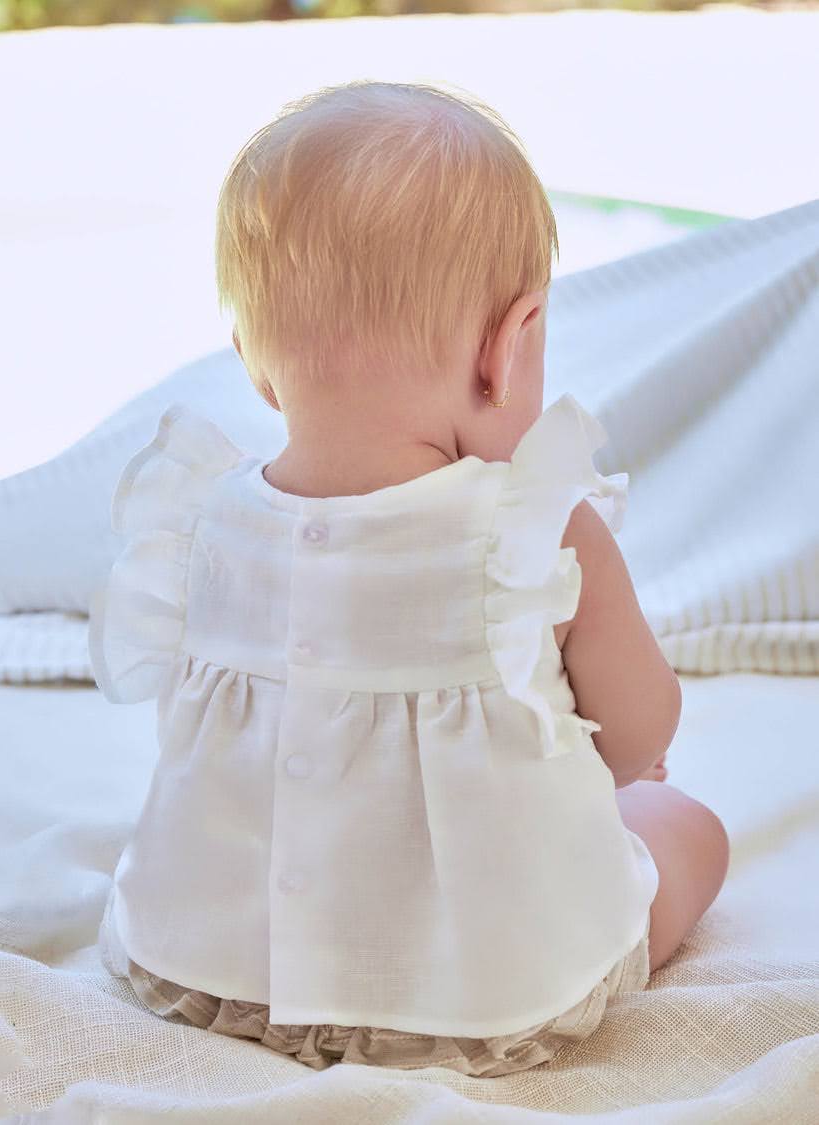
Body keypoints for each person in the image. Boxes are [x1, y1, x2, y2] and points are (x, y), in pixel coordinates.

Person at [88, 80, 729, 1077]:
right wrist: (614, 766)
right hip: (489, 989)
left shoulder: (203, 519)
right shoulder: (536, 530)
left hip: (215, 964)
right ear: (509, 347)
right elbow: (640, 735)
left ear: (255, 360)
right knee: (687, 828)